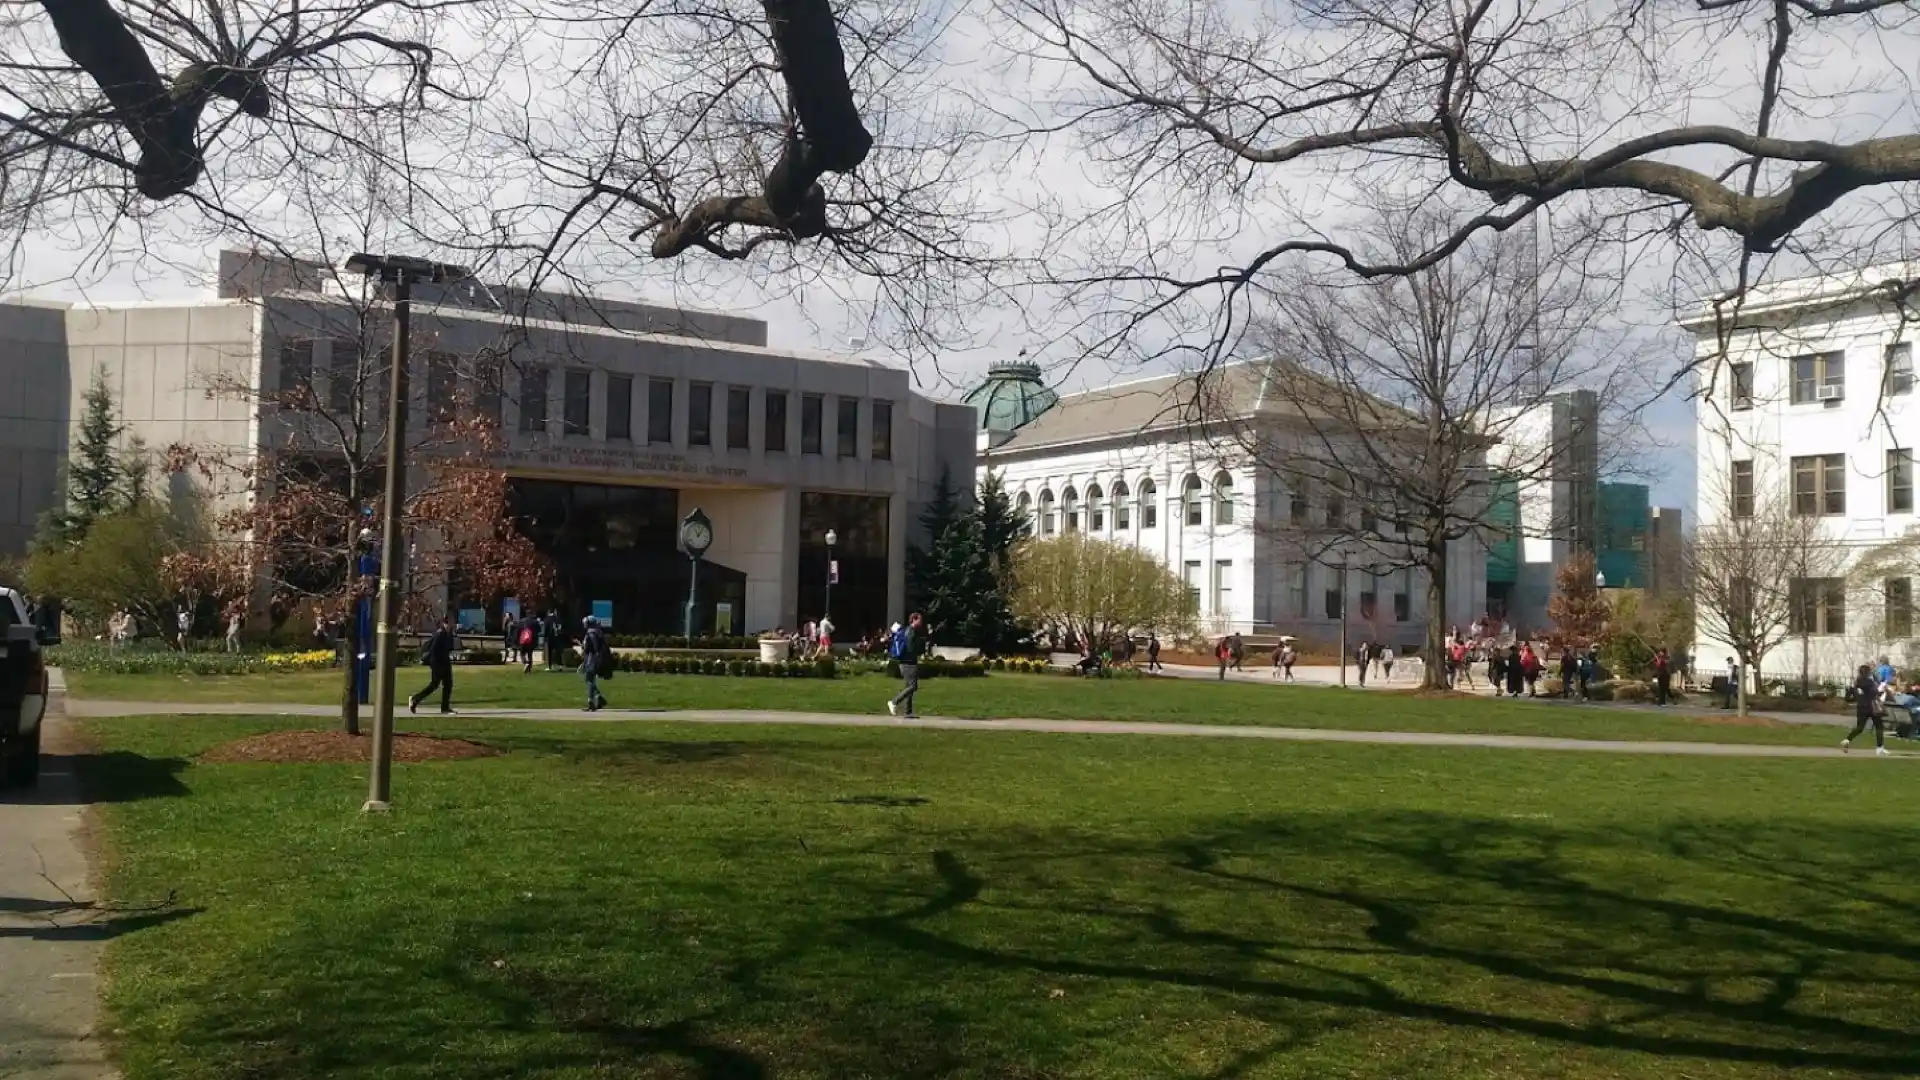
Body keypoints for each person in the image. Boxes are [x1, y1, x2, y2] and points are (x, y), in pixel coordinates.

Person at [409, 617, 459, 715]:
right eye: (450, 623)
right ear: (445, 623)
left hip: (445, 662)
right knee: (434, 685)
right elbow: (433, 650)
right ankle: (415, 699)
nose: (452, 625)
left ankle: (445, 708)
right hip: (438, 663)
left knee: (448, 685)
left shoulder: (448, 634)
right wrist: (436, 665)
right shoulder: (440, 634)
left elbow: (450, 648)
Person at [1843, 662, 1890, 756]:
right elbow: (1874, 693)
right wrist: (1881, 690)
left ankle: (1847, 739)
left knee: (1860, 728)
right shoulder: (1869, 682)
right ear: (1867, 672)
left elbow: (1849, 698)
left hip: (1861, 708)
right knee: (1879, 726)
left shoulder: (1856, 683)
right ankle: (1879, 748)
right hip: (1872, 707)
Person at [886, 612, 926, 717]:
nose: (921, 622)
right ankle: (894, 701)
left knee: (909, 687)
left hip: (905, 662)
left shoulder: (909, 631)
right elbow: (910, 647)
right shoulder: (910, 632)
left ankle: (908, 712)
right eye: (919, 620)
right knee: (913, 686)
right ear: (914, 620)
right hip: (909, 663)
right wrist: (919, 650)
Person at [579, 616, 611, 711]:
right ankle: (598, 697)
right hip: (594, 658)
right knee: (589, 679)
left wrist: (584, 647)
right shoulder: (598, 632)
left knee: (589, 678)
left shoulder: (591, 633)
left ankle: (591, 701)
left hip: (592, 658)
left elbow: (593, 646)